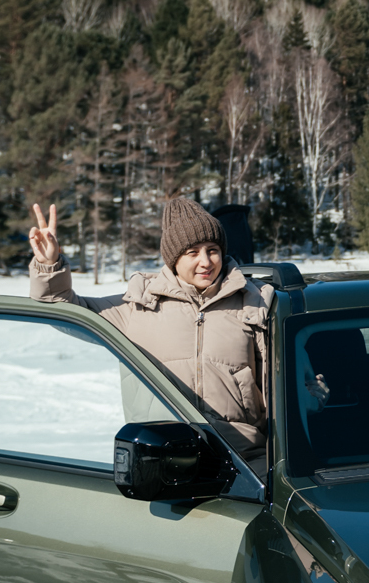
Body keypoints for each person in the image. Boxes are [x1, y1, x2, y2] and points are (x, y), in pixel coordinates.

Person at [27, 197, 274, 467]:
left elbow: (282, 379)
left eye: (212, 250)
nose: (205, 262)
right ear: (173, 258)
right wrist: (49, 266)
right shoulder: (138, 306)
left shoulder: (252, 301)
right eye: (192, 252)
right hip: (164, 459)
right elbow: (62, 309)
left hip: (244, 457)